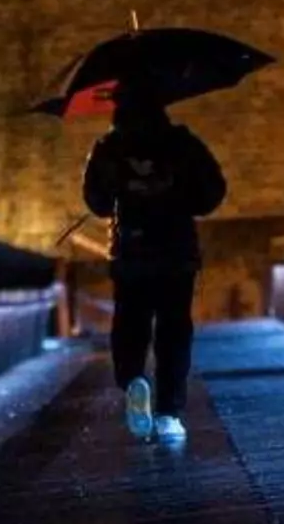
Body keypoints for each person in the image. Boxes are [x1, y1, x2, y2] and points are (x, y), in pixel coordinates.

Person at [82, 81, 226, 443]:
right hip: (176, 250)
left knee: (130, 323)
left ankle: (133, 378)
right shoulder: (182, 143)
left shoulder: (108, 148)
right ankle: (169, 414)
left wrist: (122, 188)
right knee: (174, 330)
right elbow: (212, 193)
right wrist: (179, 195)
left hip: (132, 252)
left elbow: (96, 202)